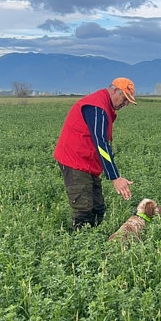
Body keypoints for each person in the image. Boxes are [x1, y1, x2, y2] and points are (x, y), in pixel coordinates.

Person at [54, 78, 136, 230]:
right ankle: (77, 245)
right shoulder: (97, 107)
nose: (125, 104)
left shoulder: (103, 106)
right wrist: (115, 177)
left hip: (88, 162)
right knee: (84, 209)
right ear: (114, 91)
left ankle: (94, 242)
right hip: (75, 160)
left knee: (98, 209)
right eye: (125, 99)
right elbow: (101, 144)